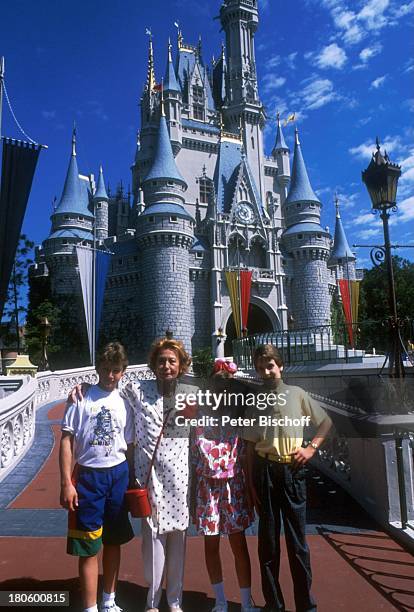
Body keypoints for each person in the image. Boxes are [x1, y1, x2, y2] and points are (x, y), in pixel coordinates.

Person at [243, 345, 332, 612]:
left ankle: (306, 606)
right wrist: (250, 485)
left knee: (297, 544)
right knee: (268, 544)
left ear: (279, 366)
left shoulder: (297, 394)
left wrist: (311, 449)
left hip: (292, 471)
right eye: (260, 368)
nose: (266, 372)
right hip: (265, 472)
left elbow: (325, 422)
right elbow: (248, 447)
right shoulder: (255, 401)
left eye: (270, 365)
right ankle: (274, 604)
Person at [59, 342, 135, 612]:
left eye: (116, 370)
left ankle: (109, 600)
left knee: (113, 541)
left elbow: (132, 444)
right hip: (89, 477)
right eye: (105, 369)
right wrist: (66, 483)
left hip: (118, 474)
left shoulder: (126, 401)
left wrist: (135, 480)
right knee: (88, 546)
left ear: (123, 371)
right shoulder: (81, 397)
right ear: (97, 368)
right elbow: (67, 441)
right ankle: (90, 607)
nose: (110, 375)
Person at [123, 337, 192, 612]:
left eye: (172, 361)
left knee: (178, 541)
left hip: (179, 479)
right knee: (152, 543)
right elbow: (107, 392)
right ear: (153, 364)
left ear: (181, 365)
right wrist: (81, 389)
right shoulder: (138, 391)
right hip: (148, 480)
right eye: (161, 361)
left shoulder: (189, 396)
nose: (166, 366)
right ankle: (152, 602)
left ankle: (175, 601)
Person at [191, 359, 259, 612]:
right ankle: (220, 601)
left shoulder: (241, 410)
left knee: (238, 543)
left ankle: (244, 603)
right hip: (206, 486)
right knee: (211, 543)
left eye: (227, 381)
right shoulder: (199, 410)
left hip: (234, 484)